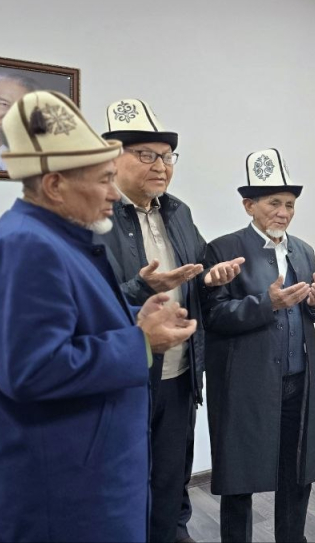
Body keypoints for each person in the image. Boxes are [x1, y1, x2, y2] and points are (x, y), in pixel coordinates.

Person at [0, 90, 197, 541]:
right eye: (104, 179)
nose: (113, 193)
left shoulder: (54, 239)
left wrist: (135, 315)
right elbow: (33, 369)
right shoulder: (25, 247)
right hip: (64, 494)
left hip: (85, 473)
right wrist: (141, 341)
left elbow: (75, 322)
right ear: (55, 185)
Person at [97, 98, 244, 542]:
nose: (161, 166)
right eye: (147, 155)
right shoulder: (97, 215)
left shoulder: (177, 211)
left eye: (167, 156)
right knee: (123, 477)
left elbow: (194, 272)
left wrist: (211, 278)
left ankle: (170, 532)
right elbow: (92, 303)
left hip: (180, 372)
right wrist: (141, 289)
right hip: (126, 374)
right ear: (113, 157)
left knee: (170, 474)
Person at [202, 148, 315, 542]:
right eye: (274, 203)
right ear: (249, 205)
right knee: (240, 477)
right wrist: (266, 303)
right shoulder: (223, 250)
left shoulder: (303, 250)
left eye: (289, 204)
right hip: (247, 385)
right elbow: (214, 317)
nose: (283, 212)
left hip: (298, 381)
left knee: (297, 471)